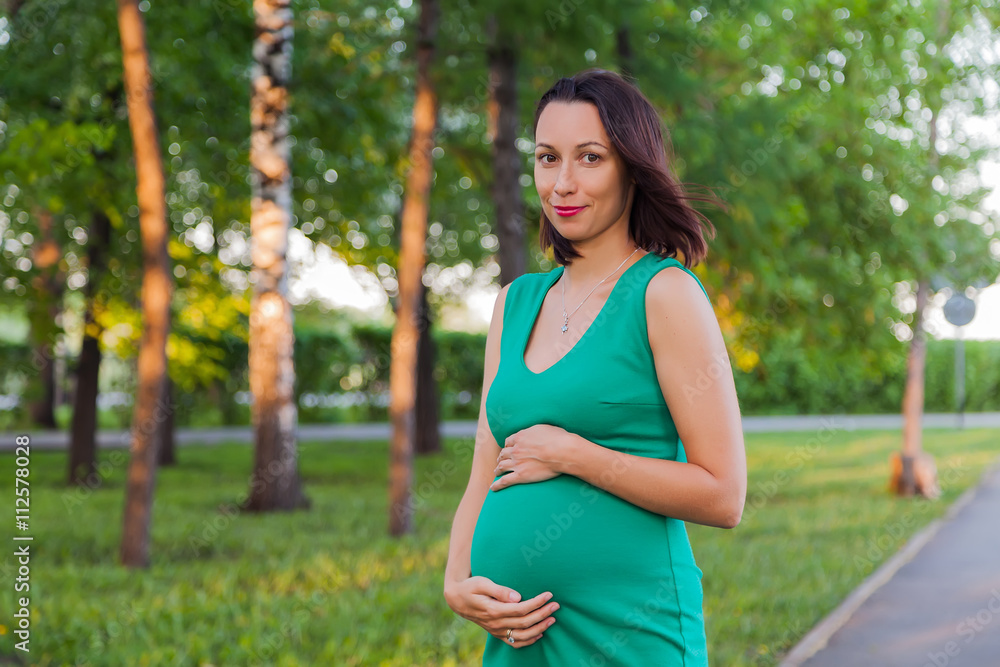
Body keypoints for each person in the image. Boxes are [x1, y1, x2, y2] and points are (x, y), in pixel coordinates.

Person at [443, 69, 746, 666]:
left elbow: (724, 495)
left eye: (590, 158)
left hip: (631, 631)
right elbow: (487, 461)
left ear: (632, 167)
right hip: (517, 636)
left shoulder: (663, 293)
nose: (563, 183)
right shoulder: (516, 301)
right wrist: (458, 580)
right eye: (547, 158)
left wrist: (573, 455)